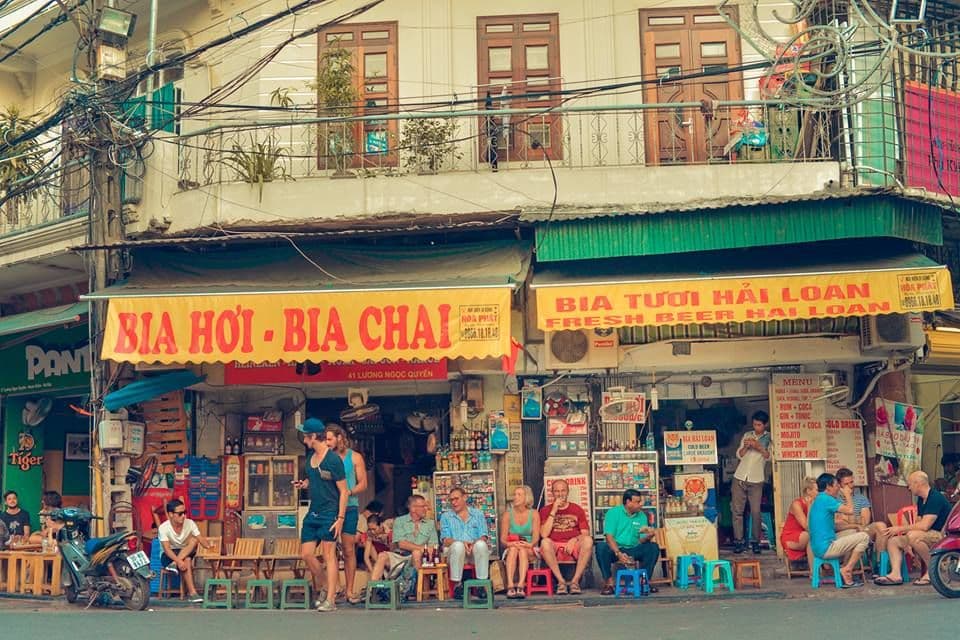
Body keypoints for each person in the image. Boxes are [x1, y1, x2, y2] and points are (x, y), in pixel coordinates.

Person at [294, 417, 348, 612]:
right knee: (307, 554)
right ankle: (328, 585)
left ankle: (331, 600)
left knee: (329, 555)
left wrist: (340, 518)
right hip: (313, 513)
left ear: (313, 436)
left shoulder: (333, 460)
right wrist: (305, 484)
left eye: (305, 435)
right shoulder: (310, 460)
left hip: (330, 513)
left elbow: (344, 491)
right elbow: (315, 479)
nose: (303, 439)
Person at [874, 470, 952, 586]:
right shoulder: (921, 499)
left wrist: (899, 529)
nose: (909, 487)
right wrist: (908, 543)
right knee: (893, 541)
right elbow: (918, 522)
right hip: (926, 534)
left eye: (910, 484)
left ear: (918, 484)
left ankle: (933, 571)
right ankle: (896, 574)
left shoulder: (935, 498)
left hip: (942, 536)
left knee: (913, 536)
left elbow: (925, 526)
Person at [325, 423, 368, 605]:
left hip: (349, 507)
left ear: (339, 438)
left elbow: (363, 483)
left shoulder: (355, 457)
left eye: (329, 439)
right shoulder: (325, 457)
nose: (326, 443)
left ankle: (350, 591)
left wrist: (348, 492)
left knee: (349, 549)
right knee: (329, 551)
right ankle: (333, 590)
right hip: (329, 508)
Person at [808, 472, 868, 588]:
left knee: (854, 533)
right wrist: (847, 494)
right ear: (828, 487)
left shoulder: (819, 500)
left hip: (819, 546)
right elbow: (850, 510)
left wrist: (853, 526)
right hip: (826, 548)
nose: (838, 488)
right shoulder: (827, 499)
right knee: (864, 537)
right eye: (836, 485)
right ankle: (847, 569)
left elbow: (833, 527)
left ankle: (844, 568)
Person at [596, 489, 661, 595]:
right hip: (617, 548)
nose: (641, 504)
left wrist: (649, 536)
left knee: (653, 547)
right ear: (628, 502)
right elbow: (609, 536)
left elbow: (641, 539)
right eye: (637, 502)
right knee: (601, 547)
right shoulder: (613, 513)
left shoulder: (641, 516)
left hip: (634, 548)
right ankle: (609, 583)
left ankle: (643, 581)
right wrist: (618, 553)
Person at [538, 479, 593, 595]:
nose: (560, 494)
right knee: (545, 542)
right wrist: (554, 510)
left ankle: (575, 582)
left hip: (573, 545)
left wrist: (574, 539)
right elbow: (543, 534)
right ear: (552, 493)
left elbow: (585, 533)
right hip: (554, 544)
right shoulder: (545, 510)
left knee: (588, 541)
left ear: (567, 492)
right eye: (557, 491)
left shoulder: (577, 509)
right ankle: (561, 582)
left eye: (563, 491)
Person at [157, 499, 215, 603]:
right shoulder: (163, 528)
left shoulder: (190, 523)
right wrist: (178, 561)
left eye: (184, 513)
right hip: (168, 555)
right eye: (180, 514)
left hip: (185, 551)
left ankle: (175, 565)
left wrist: (209, 546)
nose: (183, 516)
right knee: (186, 560)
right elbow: (167, 549)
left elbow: (200, 538)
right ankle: (193, 594)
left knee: (193, 540)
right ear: (170, 514)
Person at [369, 494, 438, 581]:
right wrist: (422, 548)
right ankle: (372, 590)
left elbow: (433, 546)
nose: (426, 508)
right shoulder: (399, 521)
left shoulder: (430, 524)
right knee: (382, 556)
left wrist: (421, 551)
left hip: (421, 557)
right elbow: (402, 544)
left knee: (416, 553)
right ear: (412, 508)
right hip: (400, 557)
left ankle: (419, 590)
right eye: (423, 506)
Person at [440, 486, 490, 599]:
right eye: (451, 500)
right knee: (458, 546)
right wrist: (463, 543)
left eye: (456, 499)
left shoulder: (478, 514)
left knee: (481, 545)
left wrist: (473, 544)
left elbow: (484, 536)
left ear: (465, 498)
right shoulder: (446, 516)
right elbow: (445, 540)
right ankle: (458, 585)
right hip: (454, 552)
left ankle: (481, 585)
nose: (454, 502)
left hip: (473, 551)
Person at [731, 410, 771, 554]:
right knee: (737, 512)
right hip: (740, 477)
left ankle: (755, 542)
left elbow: (769, 457)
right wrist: (747, 446)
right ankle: (738, 541)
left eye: (759, 425)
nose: (756, 427)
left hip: (756, 479)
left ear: (765, 425)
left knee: (755, 512)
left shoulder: (769, 438)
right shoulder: (747, 435)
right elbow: (739, 455)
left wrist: (758, 447)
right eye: (754, 424)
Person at [499, 485, 540, 599]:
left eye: (519, 495)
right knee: (513, 550)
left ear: (526, 498)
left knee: (522, 550)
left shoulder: (534, 513)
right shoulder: (508, 514)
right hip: (512, 545)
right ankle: (511, 585)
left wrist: (530, 544)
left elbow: (536, 536)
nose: (515, 497)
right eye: (515, 495)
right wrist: (510, 544)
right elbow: (503, 539)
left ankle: (521, 584)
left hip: (529, 546)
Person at [834, 467, 886, 542]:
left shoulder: (861, 498)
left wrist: (846, 518)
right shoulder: (834, 500)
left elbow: (865, 521)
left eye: (851, 482)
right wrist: (847, 495)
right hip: (843, 533)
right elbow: (837, 524)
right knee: (852, 533)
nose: (850, 486)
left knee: (881, 526)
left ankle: (881, 553)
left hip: (862, 529)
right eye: (846, 484)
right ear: (839, 485)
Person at [780, 477, 817, 567]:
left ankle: (815, 571)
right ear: (808, 491)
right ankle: (817, 570)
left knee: (816, 536)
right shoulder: (797, 504)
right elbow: (807, 526)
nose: (819, 493)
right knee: (812, 535)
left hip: (806, 535)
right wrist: (809, 507)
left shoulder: (816, 503)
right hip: (792, 537)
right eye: (817, 490)